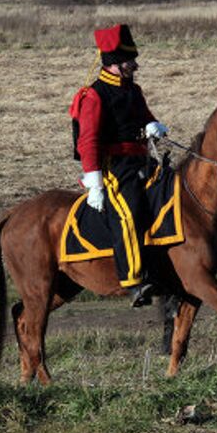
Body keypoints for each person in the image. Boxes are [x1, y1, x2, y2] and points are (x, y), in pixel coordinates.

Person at [69, 24, 169, 307]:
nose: (135, 65)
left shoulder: (133, 90)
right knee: (129, 212)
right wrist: (95, 183)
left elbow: (143, 115)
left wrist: (151, 124)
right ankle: (134, 280)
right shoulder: (94, 95)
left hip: (141, 160)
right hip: (114, 168)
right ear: (114, 64)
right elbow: (87, 142)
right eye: (129, 61)